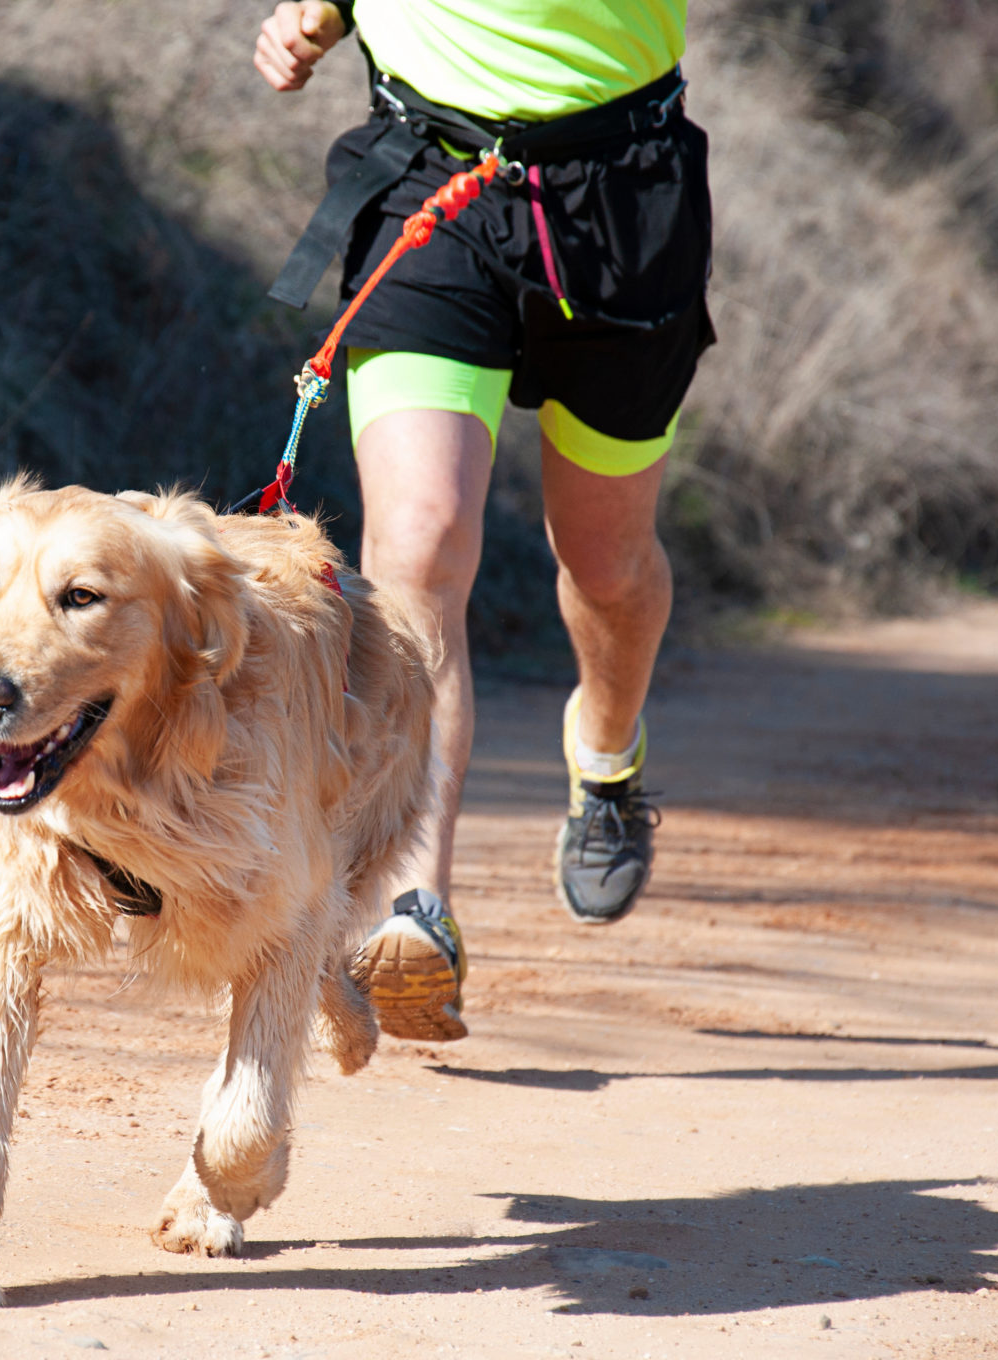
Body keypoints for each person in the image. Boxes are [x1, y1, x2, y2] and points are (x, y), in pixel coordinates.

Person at [253, 0, 714, 1042]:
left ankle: (603, 754)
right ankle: (418, 906)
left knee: (604, 564)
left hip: (620, 194)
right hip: (430, 174)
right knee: (414, 543)